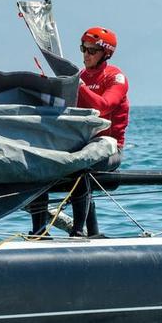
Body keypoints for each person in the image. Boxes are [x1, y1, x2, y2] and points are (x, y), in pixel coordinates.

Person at [29, 26, 129, 238]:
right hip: (81, 145)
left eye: (92, 51)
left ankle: (78, 233)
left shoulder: (116, 78)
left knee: (80, 165)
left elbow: (103, 106)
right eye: (83, 49)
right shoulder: (80, 76)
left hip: (110, 149)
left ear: (106, 53)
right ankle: (39, 232)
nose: (86, 54)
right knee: (41, 161)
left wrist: (78, 85)